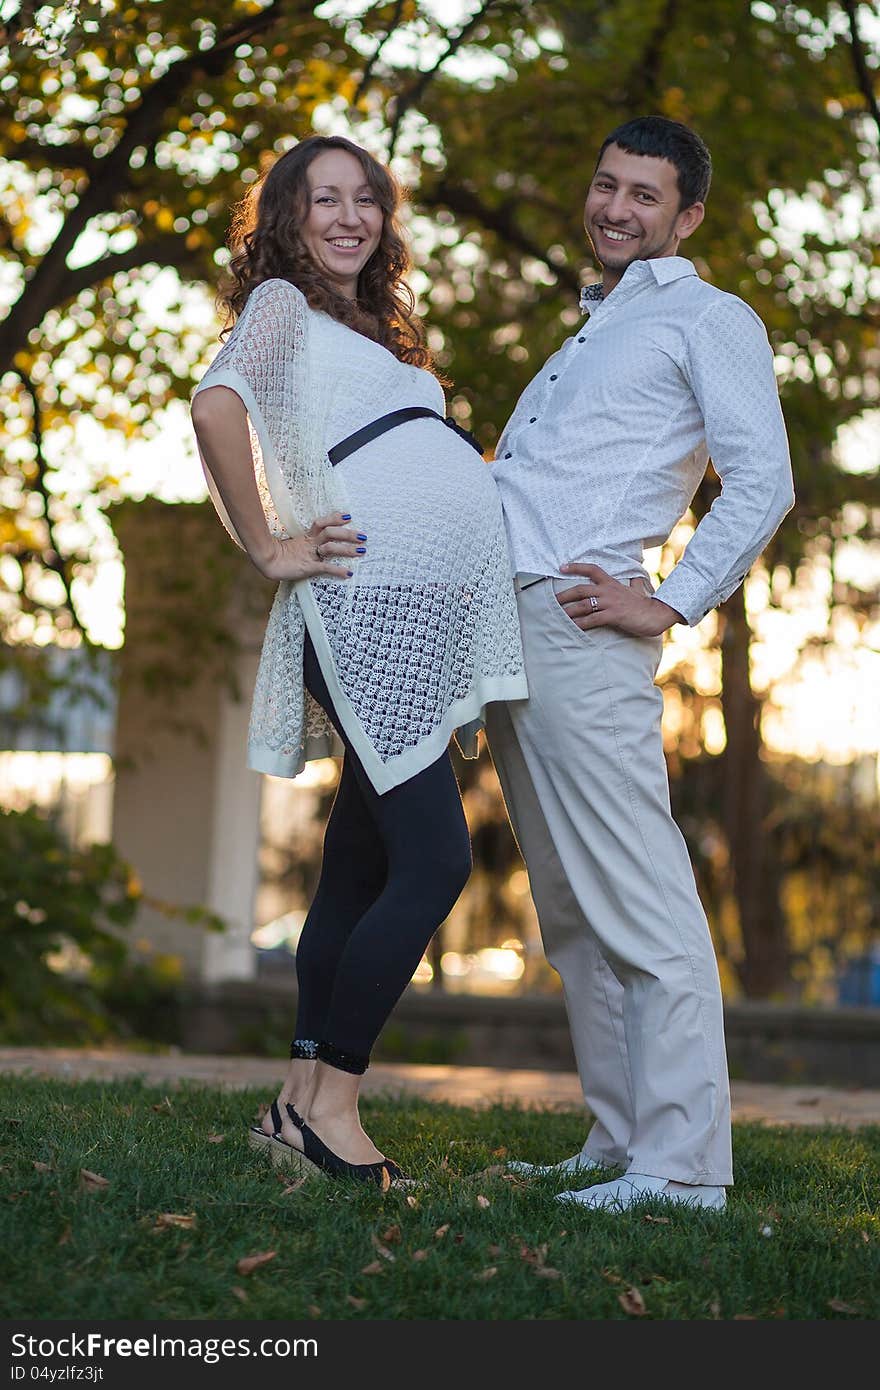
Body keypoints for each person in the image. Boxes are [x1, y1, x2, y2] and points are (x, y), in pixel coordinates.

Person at [190, 135, 527, 1186]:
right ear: (284, 217)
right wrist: (267, 546)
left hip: (411, 612)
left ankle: (297, 1095)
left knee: (359, 861)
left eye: (365, 200)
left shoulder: (369, 329)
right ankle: (335, 1106)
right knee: (433, 861)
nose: (348, 217)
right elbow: (214, 408)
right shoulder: (281, 306)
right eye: (322, 199)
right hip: (364, 605)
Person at [485, 116, 794, 1212]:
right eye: (606, 185)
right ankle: (617, 1139)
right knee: (571, 906)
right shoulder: (593, 328)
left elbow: (761, 480)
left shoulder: (709, 317)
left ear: (687, 215)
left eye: (644, 196)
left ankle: (683, 1169)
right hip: (507, 620)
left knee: (643, 898)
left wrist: (665, 599)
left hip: (582, 626)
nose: (615, 207)